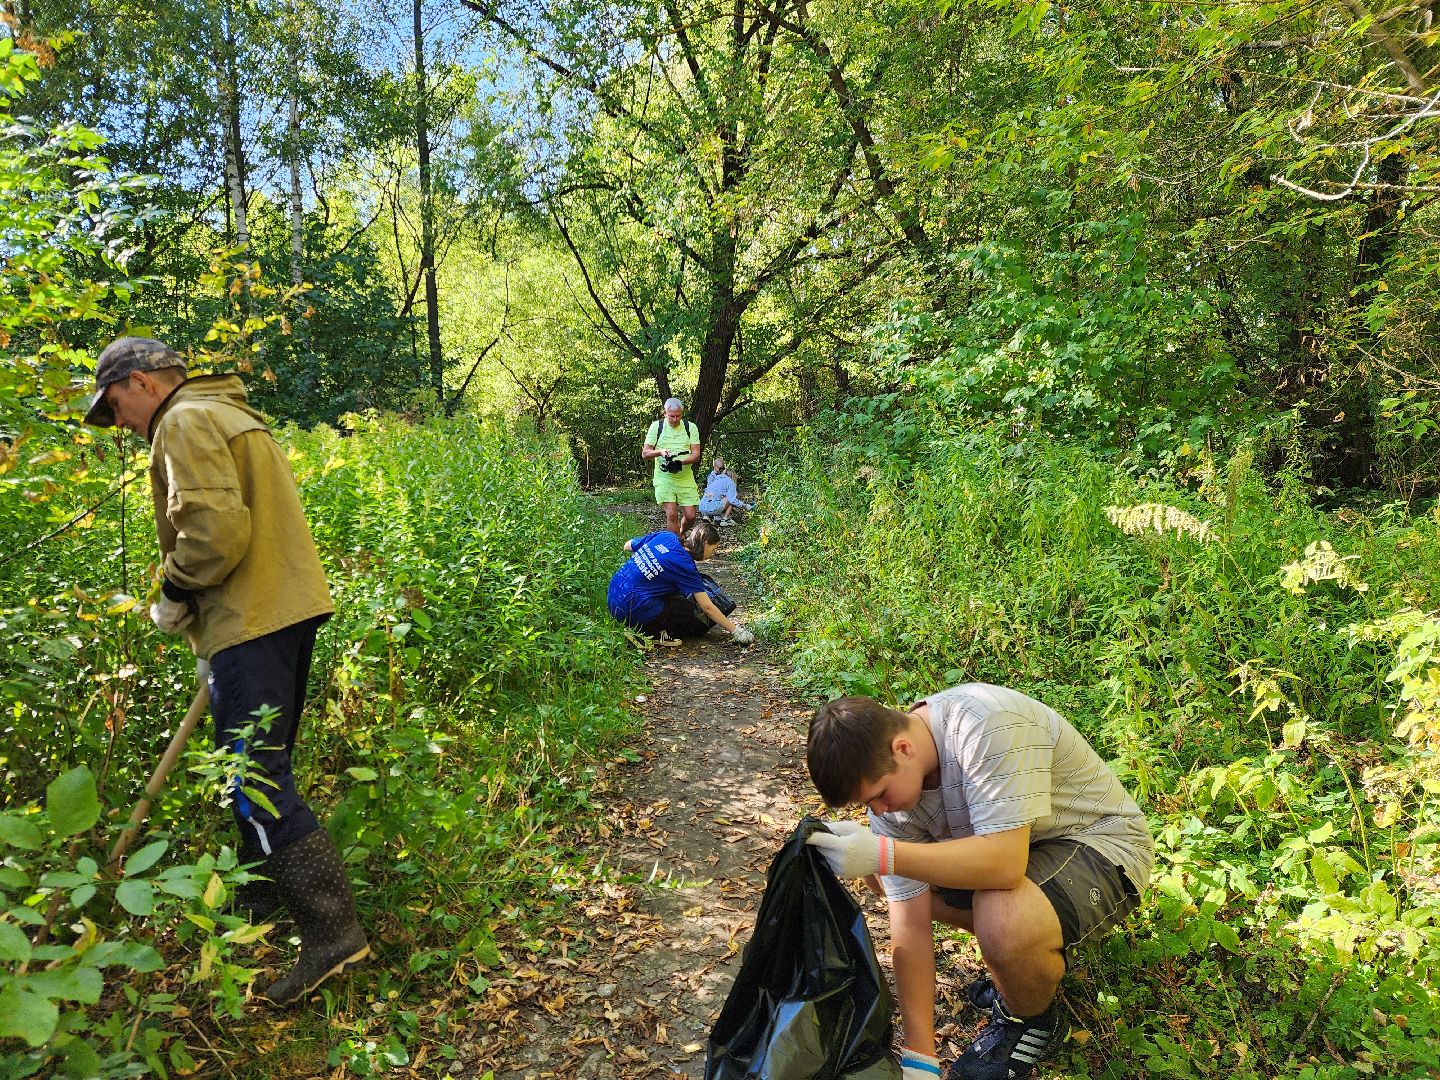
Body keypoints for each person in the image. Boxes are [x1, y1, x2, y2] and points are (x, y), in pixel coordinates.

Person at [83, 337, 370, 1006]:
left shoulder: (181, 421)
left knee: (254, 781)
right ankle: (262, 907)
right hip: (279, 608)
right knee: (250, 768)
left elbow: (213, 533)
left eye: (115, 404)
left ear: (143, 382)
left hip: (251, 618)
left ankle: (331, 935)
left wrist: (176, 592)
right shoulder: (225, 412)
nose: (118, 422)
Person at [804, 684, 1152, 1080]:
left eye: (880, 795)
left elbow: (1004, 865)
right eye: (868, 804)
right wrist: (920, 1056)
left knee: (1001, 915)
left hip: (1101, 844)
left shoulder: (985, 724)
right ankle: (1029, 956)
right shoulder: (894, 794)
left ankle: (1032, 1020)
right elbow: (909, 921)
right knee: (886, 884)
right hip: (1029, 850)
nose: (878, 811)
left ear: (902, 748)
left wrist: (883, 854)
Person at [606, 521, 754, 645]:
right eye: (713, 549)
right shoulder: (685, 565)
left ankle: (636, 622)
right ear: (706, 543)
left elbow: (628, 545)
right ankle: (650, 634)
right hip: (630, 608)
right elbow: (707, 607)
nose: (712, 554)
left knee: (673, 590)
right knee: (686, 608)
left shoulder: (666, 537)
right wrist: (736, 631)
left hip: (612, 597)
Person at [642, 398, 701, 536]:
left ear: (682, 413)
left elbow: (696, 453)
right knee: (672, 514)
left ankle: (681, 532)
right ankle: (676, 546)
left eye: (678, 416)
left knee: (691, 516)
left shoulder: (690, 427)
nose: (675, 419)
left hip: (685, 477)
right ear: (665, 413)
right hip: (664, 478)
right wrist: (660, 452)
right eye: (671, 416)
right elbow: (645, 453)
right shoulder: (656, 427)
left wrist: (681, 462)